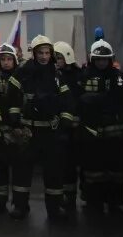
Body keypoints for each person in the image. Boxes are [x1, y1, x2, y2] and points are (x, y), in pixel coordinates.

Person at [12, 35, 76, 220]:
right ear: (34, 54)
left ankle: (54, 209)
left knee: (54, 172)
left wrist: (65, 120)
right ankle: (20, 206)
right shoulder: (23, 73)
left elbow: (67, 101)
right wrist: (15, 119)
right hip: (28, 131)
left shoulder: (57, 75)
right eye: (40, 53)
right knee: (22, 171)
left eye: (47, 53)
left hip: (50, 131)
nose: (44, 56)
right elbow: (12, 96)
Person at [75, 40, 123, 214]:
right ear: (92, 59)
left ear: (111, 59)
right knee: (92, 171)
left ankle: (114, 202)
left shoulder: (121, 79)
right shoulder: (82, 78)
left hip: (115, 136)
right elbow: (75, 105)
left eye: (105, 59)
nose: (101, 62)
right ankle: (92, 201)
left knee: (115, 171)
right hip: (90, 135)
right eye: (98, 59)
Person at [0, 43, 25, 213]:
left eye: (9, 59)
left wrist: (18, 125)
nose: (5, 62)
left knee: (20, 169)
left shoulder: (22, 78)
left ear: (15, 61)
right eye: (2, 59)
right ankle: (0, 200)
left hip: (18, 130)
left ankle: (19, 204)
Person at [53, 41, 82, 210]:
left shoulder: (77, 76)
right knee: (59, 164)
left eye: (59, 57)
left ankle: (71, 196)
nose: (57, 61)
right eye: (55, 57)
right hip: (57, 128)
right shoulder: (51, 75)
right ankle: (60, 196)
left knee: (72, 164)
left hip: (75, 129)